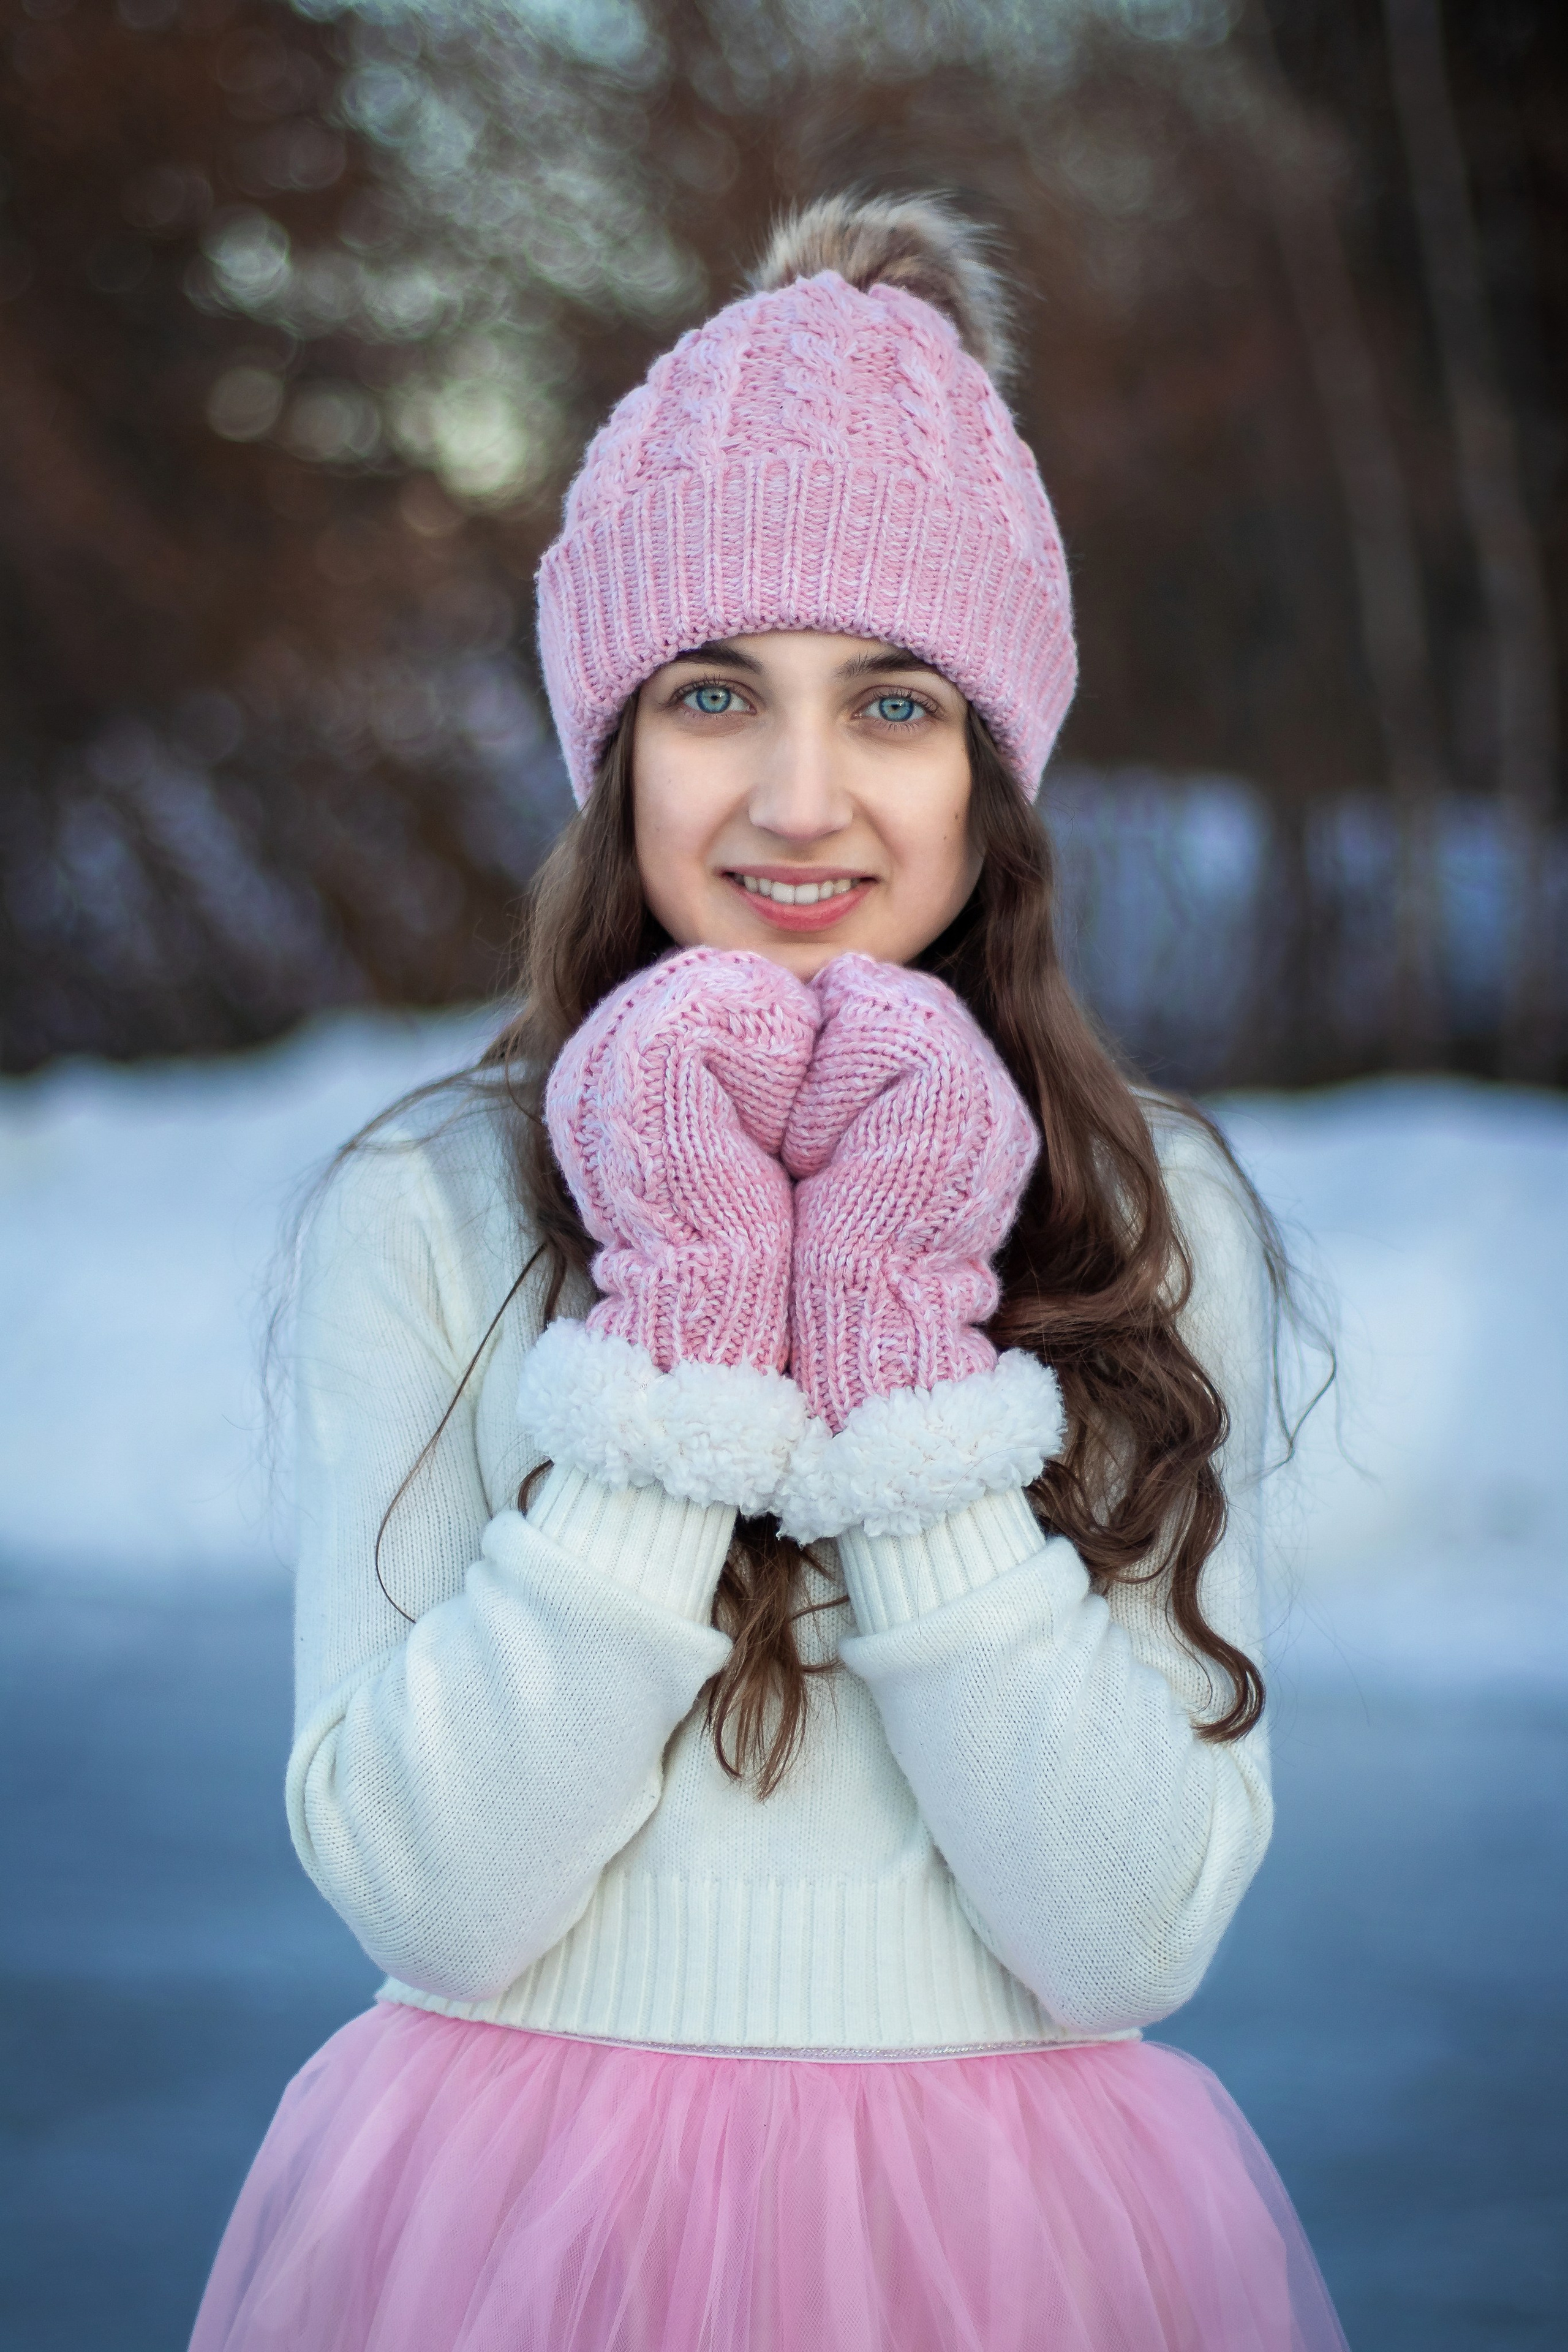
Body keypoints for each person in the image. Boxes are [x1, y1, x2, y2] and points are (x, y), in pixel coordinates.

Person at [190, 194, 1348, 2351]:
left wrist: (903, 1356)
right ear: (614, 747)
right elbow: (432, 1897)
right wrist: (691, 1333)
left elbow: (1132, 1938)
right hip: (512, 2231)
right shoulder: (433, 1202)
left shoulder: (1142, 1207)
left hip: (1015, 2247)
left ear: (992, 776)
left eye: (892, 704)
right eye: (716, 692)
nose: (801, 800)